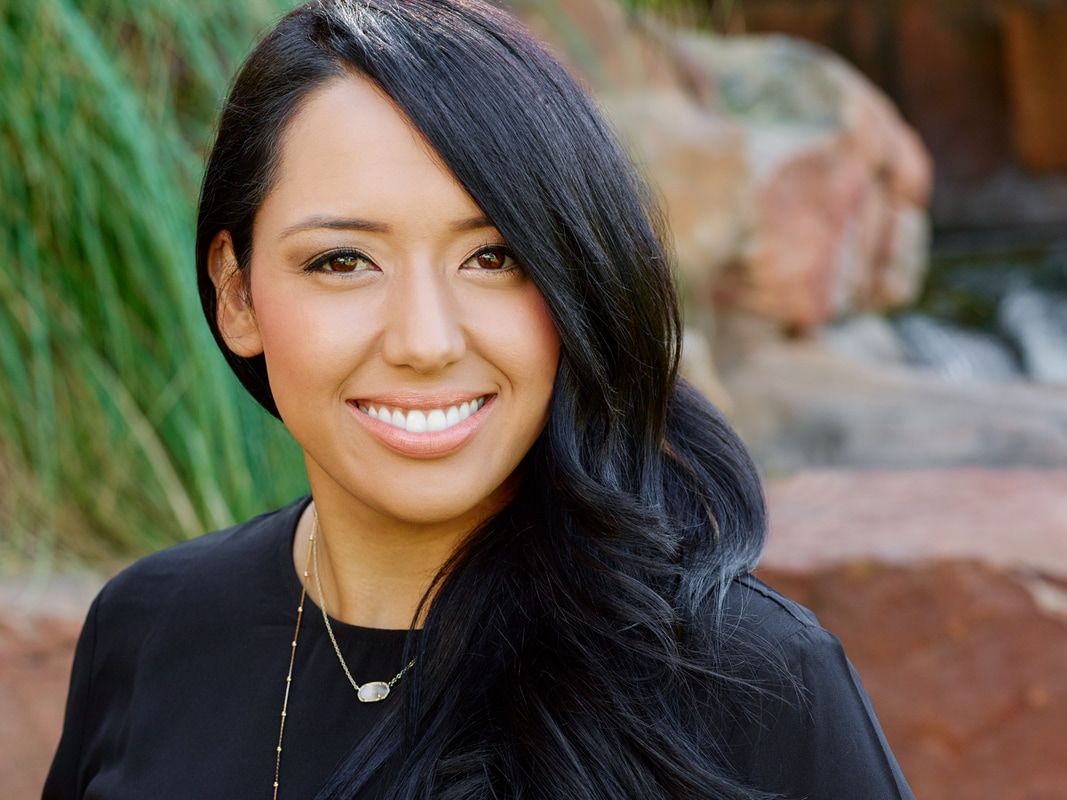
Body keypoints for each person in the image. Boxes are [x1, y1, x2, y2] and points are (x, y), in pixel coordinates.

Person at [42, 1, 917, 798]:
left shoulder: (752, 681)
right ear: (238, 297)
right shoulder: (151, 628)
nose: (425, 340)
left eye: (494, 258)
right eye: (342, 261)